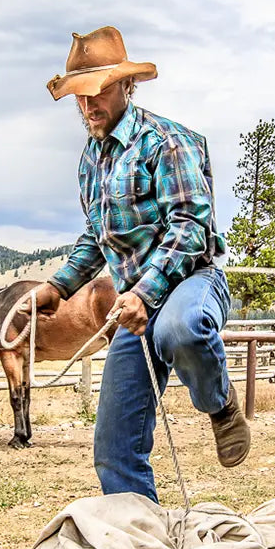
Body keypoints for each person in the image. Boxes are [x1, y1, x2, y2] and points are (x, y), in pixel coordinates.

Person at [28, 26, 249, 504]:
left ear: (128, 86)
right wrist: (59, 287)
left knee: (184, 329)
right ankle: (142, 544)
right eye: (79, 98)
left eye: (99, 93)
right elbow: (96, 234)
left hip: (189, 281)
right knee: (113, 448)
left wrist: (145, 293)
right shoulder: (91, 159)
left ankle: (221, 404)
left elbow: (190, 225)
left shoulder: (168, 142)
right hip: (131, 307)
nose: (88, 107)